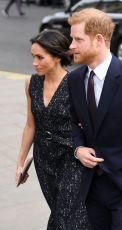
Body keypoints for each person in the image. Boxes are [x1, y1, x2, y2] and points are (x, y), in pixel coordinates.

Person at [67, 8, 122, 230]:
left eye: (77, 39)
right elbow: (73, 122)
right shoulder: (74, 80)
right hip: (91, 188)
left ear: (99, 40)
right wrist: (78, 149)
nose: (71, 46)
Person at [15, 29, 91, 230]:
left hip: (71, 157)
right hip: (44, 159)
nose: (34, 63)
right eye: (33, 57)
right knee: (60, 212)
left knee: (66, 215)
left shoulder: (76, 83)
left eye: (40, 57)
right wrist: (21, 162)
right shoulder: (31, 83)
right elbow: (31, 125)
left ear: (57, 56)